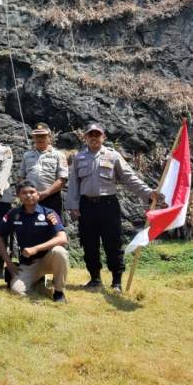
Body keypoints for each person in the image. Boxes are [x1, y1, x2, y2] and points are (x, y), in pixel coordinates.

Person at [67, 123, 160, 292]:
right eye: (91, 134)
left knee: (113, 243)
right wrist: (73, 207)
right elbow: (73, 184)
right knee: (89, 244)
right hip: (86, 206)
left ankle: (116, 281)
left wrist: (148, 193)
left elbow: (129, 178)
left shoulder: (113, 156)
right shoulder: (78, 158)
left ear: (104, 137)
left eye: (98, 134)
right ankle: (95, 279)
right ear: (85, 137)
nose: (94, 137)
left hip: (108, 205)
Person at [0, 181, 70, 303]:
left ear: (38, 195)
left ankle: (59, 292)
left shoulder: (48, 213)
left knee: (59, 251)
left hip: (48, 260)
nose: (29, 195)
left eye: (32, 192)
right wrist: (8, 262)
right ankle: (37, 285)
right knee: (16, 290)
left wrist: (36, 248)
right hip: (28, 264)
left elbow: (62, 238)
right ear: (18, 196)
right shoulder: (14, 214)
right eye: (24, 193)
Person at [19, 123, 68, 219]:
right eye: (37, 136)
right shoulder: (27, 155)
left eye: (42, 136)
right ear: (33, 138)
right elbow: (21, 176)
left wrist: (46, 193)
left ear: (49, 137)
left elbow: (62, 179)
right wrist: (26, 192)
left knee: (52, 227)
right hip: (30, 198)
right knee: (30, 227)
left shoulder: (59, 155)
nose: (39, 138)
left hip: (51, 198)